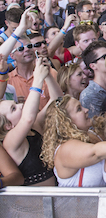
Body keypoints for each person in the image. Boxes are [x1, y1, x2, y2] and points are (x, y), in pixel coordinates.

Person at [0, 56, 61, 186]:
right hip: (33, 204)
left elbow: (57, 101)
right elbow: (28, 119)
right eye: (13, 109)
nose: (21, 106)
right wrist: (37, 79)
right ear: (8, 125)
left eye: (16, 103)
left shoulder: (34, 127)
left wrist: (48, 75)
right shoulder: (10, 141)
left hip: (54, 199)